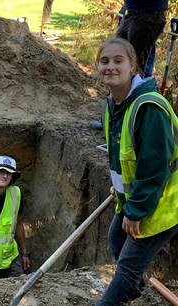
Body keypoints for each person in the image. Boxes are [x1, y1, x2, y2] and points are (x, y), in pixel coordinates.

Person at [95, 37, 178, 305]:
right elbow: (123, 158)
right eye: (104, 61)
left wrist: (136, 210)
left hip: (166, 200)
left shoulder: (148, 107)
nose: (110, 66)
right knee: (115, 237)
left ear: (134, 67)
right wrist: (120, 192)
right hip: (142, 196)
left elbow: (153, 167)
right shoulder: (114, 106)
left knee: (129, 264)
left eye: (119, 61)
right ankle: (137, 294)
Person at [116, 0, 167, 76]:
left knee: (136, 66)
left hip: (149, 14)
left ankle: (140, 83)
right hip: (131, 10)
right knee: (117, 50)